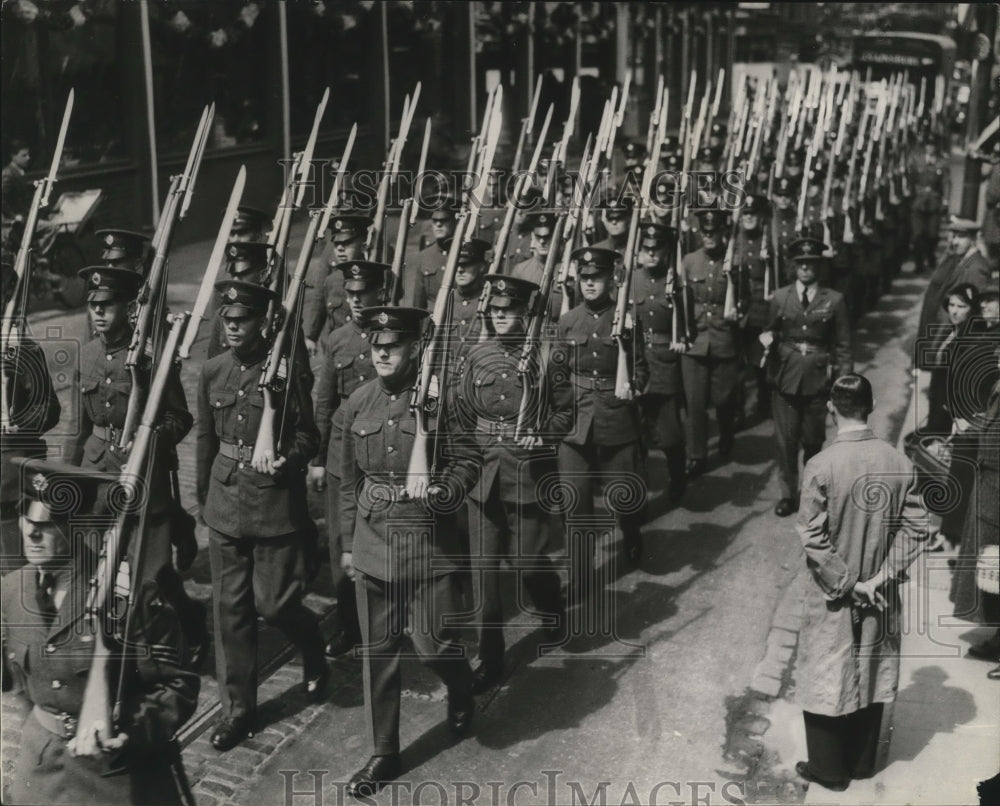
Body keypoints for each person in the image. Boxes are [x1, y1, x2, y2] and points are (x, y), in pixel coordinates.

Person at [2, 458, 200, 805]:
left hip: (112, 776)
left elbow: (178, 686)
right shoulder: (11, 590)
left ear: (76, 527)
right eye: (26, 518)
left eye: (47, 524)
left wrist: (131, 734)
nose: (31, 533)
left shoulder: (132, 597)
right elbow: (20, 683)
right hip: (41, 771)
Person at [339, 306, 478, 797]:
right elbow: (345, 481)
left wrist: (442, 490)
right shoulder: (357, 402)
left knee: (431, 644)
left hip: (426, 541)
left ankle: (461, 686)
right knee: (378, 653)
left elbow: (468, 461)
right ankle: (384, 751)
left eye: (391, 344)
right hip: (373, 540)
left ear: (415, 348)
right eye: (375, 343)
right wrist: (345, 545)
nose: (381, 351)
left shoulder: (444, 403)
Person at [196, 279, 328, 752]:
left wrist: (288, 459)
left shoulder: (286, 372)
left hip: (274, 502)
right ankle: (239, 712)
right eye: (227, 320)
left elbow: (309, 436)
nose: (233, 327)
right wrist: (203, 499)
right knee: (230, 612)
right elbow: (207, 443)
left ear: (261, 321)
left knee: (275, 605)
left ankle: (312, 645)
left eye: (242, 320)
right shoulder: (212, 371)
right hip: (225, 501)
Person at [793, 374, 929, 792]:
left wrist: (850, 583)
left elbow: (813, 539)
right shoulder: (899, 462)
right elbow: (918, 528)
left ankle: (830, 771)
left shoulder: (821, 465)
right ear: (869, 408)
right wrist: (881, 577)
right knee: (873, 667)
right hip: (881, 592)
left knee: (825, 671)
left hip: (833, 593)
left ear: (832, 408)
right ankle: (864, 762)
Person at [451, 275, 569, 694]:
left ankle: (552, 605)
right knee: (485, 574)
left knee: (527, 563)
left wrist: (544, 435)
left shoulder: (547, 356)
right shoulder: (475, 356)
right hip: (484, 479)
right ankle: (491, 657)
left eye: (508, 310)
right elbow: (461, 415)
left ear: (524, 312)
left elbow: (565, 413)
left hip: (527, 475)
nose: (500, 316)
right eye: (495, 310)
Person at [68, 266, 195, 577]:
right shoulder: (85, 355)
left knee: (151, 577)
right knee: (92, 572)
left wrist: (148, 440)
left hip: (141, 471)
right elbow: (78, 427)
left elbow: (180, 417)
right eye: (93, 305)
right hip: (96, 472)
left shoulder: (151, 359)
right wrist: (68, 476)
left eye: (107, 305)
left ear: (127, 308)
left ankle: (185, 616)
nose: (98, 312)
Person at [552, 247, 648, 587]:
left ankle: (632, 531)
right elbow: (558, 374)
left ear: (611, 279)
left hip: (615, 415)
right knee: (574, 499)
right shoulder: (567, 321)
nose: (590, 284)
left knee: (625, 495)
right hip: (575, 420)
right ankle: (581, 572)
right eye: (585, 277)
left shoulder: (626, 319)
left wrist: (633, 386)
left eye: (597, 277)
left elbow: (640, 370)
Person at [307, 261, 387, 659]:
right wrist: (318, 459)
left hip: (384, 455)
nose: (356, 301)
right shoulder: (336, 340)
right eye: (351, 294)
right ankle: (350, 626)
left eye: (363, 293)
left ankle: (387, 619)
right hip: (343, 453)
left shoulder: (395, 337)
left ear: (379, 294)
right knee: (342, 544)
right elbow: (323, 403)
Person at [761, 238, 853, 517]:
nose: (804, 269)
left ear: (818, 267)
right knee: (786, 441)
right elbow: (770, 330)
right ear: (793, 266)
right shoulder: (780, 297)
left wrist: (844, 382)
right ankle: (789, 494)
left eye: (810, 263)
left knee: (813, 441)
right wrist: (768, 338)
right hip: (785, 377)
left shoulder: (834, 300)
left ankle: (812, 493)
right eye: (800, 264)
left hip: (817, 379)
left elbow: (843, 345)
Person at [0, 255, 61, 569]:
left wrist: (16, 425)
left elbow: (49, 409)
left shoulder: (23, 349)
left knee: (16, 570)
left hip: (13, 480)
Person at [949, 343, 1000, 679]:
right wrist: (975, 423)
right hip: (990, 488)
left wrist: (975, 427)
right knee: (992, 570)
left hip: (997, 490)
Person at [681, 209, 742, 478]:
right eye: (705, 233)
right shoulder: (689, 261)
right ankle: (697, 455)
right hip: (695, 341)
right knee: (694, 403)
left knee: (723, 399)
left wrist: (739, 309)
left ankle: (726, 429)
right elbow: (682, 302)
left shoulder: (735, 263)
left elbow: (745, 298)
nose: (709, 237)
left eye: (713, 233)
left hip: (722, 339)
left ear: (722, 233)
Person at [632, 222, 687, 505]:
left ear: (666, 251)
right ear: (639, 251)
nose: (651, 254)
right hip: (636, 364)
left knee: (670, 435)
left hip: (665, 364)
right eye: (646, 249)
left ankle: (678, 478)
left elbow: (687, 323)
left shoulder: (675, 281)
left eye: (656, 249)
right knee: (637, 436)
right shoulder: (631, 280)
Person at [303, 211, 372, 355]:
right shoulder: (331, 281)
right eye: (337, 243)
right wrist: (311, 337)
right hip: (337, 351)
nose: (340, 248)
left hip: (366, 350)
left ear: (363, 245)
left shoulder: (376, 278)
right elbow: (319, 300)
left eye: (347, 242)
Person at [923, 283, 981, 438]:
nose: (954, 311)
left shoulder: (969, 338)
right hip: (939, 400)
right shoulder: (954, 329)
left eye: (961, 307)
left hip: (949, 409)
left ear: (972, 310)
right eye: (951, 305)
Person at [909, 135, 950, 273]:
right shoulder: (917, 161)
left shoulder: (941, 162)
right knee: (918, 235)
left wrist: (945, 200)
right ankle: (918, 264)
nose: (930, 148)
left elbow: (946, 182)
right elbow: (910, 180)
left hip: (934, 203)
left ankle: (930, 255)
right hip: (918, 202)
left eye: (933, 145)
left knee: (932, 235)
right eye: (928, 145)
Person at [410, 202, 458, 309]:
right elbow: (418, 303)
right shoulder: (425, 256)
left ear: (455, 222)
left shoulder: (464, 253)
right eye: (435, 221)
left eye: (444, 220)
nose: (438, 225)